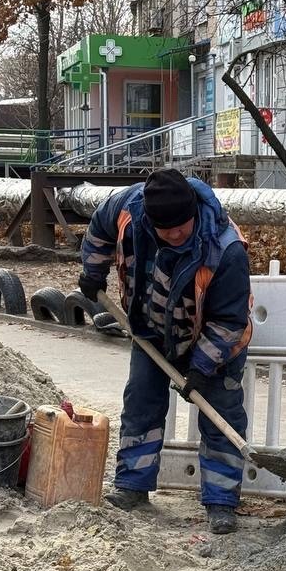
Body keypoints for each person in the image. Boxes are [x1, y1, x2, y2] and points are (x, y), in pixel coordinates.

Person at [79, 168, 252, 535]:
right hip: (152, 331)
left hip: (214, 337)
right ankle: (132, 486)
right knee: (141, 404)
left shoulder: (225, 248)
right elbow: (99, 226)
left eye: (181, 227)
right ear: (149, 218)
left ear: (192, 213)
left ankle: (221, 503)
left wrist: (202, 368)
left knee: (221, 417)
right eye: (166, 229)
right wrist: (93, 272)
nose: (175, 234)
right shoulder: (129, 207)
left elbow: (229, 321)